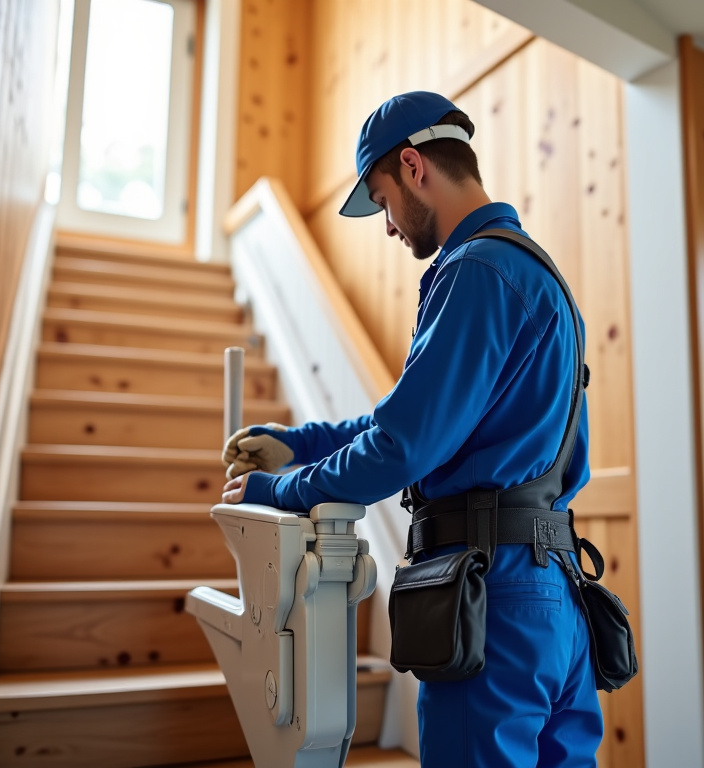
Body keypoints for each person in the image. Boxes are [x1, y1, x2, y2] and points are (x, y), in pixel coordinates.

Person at [220, 90, 601, 767]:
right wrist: (302, 443)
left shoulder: (475, 269)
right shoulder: (537, 274)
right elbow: (410, 418)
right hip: (556, 595)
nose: (390, 227)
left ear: (413, 166)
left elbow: (402, 445)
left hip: (492, 602)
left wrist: (278, 490)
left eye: (383, 200)